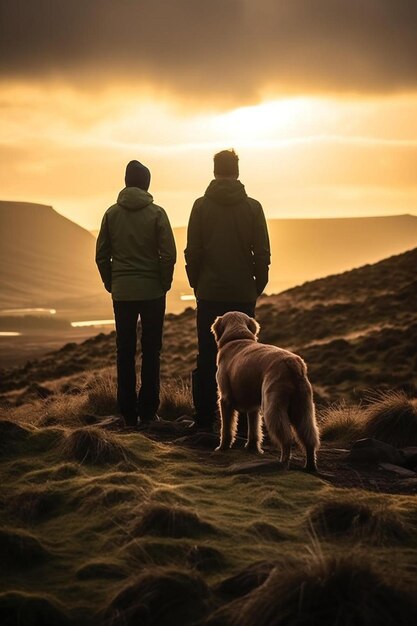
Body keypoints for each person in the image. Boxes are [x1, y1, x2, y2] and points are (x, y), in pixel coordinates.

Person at [185, 149, 271, 432]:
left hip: (209, 292)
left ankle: (205, 419)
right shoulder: (253, 207)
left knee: (207, 355)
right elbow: (261, 252)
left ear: (214, 171)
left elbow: (193, 251)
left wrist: (197, 283)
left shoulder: (200, 206)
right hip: (243, 292)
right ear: (236, 172)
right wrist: (257, 285)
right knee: (247, 357)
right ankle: (247, 427)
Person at [96, 160, 176, 429]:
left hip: (123, 293)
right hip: (153, 291)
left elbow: (101, 255)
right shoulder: (157, 213)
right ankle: (149, 411)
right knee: (152, 351)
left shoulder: (111, 214)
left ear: (126, 182)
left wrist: (112, 282)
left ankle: (127, 412)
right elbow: (169, 254)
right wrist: (163, 282)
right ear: (146, 184)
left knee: (125, 351)